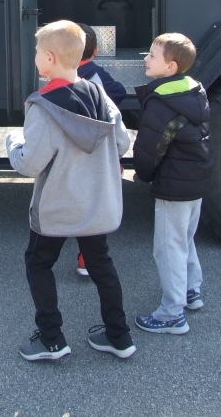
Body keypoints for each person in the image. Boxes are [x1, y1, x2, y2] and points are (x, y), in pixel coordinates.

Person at [6, 20, 136, 361]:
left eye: (37, 52)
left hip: (57, 207)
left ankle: (51, 339)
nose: (35, 57)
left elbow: (29, 164)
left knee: (38, 263)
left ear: (48, 58)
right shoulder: (100, 95)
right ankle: (119, 336)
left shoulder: (43, 106)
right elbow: (121, 142)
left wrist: (13, 142)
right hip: (97, 205)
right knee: (101, 265)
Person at [132, 33, 213, 335]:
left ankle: (171, 314)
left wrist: (143, 174)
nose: (145, 59)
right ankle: (191, 290)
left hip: (173, 185)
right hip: (195, 180)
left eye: (152, 55)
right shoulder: (194, 93)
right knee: (184, 238)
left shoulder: (161, 103)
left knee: (167, 248)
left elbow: (148, 149)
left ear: (170, 66)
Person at [74, 23, 128, 277]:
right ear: (95, 51)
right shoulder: (96, 75)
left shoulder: (62, 80)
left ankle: (80, 255)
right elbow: (118, 91)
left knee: (81, 204)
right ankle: (88, 258)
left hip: (77, 155)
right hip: (102, 154)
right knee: (98, 205)